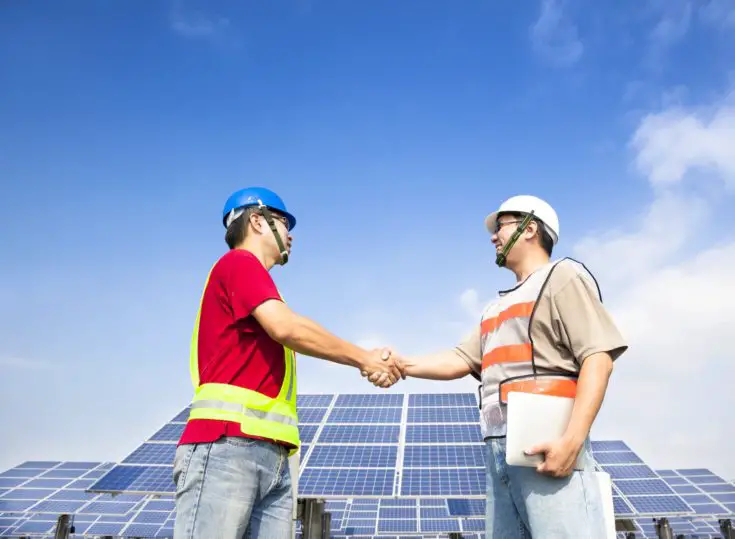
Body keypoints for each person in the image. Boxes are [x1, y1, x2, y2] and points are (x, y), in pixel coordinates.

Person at [364, 195, 628, 538]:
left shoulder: (562, 277)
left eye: (500, 227)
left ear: (529, 229)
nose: (493, 237)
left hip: (548, 440)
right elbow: (460, 358)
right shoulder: (495, 307)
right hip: (499, 446)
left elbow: (598, 357)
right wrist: (401, 364)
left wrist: (572, 440)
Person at [173, 186, 403, 539]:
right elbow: (287, 327)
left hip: (272, 454)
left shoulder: (256, 283)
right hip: (227, 448)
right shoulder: (238, 263)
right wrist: (364, 358)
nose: (290, 234)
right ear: (256, 221)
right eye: (282, 222)